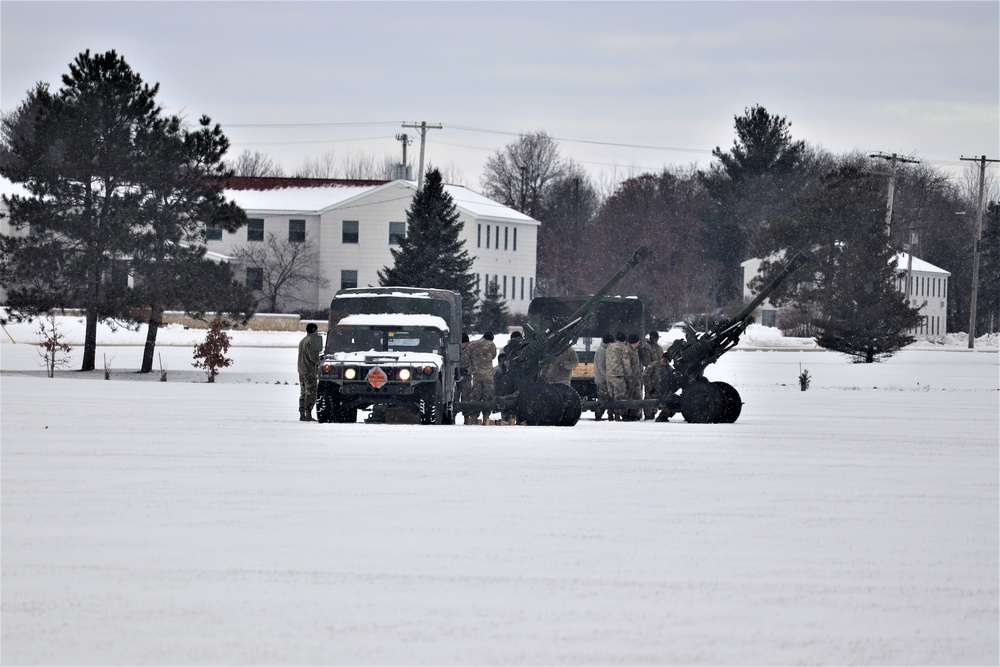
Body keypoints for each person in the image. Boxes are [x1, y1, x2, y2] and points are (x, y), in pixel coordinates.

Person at [464, 331, 497, 424]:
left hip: (476, 374)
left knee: (476, 395)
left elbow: (467, 356)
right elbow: (494, 356)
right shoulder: (491, 344)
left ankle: (474, 416)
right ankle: (486, 417)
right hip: (488, 375)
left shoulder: (473, 344)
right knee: (488, 396)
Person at [297, 322, 323, 421]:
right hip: (309, 371)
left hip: (302, 370)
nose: (318, 332)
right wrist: (320, 362)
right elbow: (313, 357)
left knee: (303, 392)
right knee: (311, 393)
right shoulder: (311, 341)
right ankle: (308, 414)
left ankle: (302, 414)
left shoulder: (303, 340)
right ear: (314, 330)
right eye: (317, 330)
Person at [605, 331, 631, 421]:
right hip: (618, 375)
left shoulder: (609, 347)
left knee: (611, 395)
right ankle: (618, 414)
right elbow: (626, 363)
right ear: (624, 341)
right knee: (619, 395)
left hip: (609, 375)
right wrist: (628, 374)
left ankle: (610, 414)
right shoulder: (623, 348)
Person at [643, 331, 664, 420]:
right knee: (648, 394)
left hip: (658, 375)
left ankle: (653, 412)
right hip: (650, 374)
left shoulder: (659, 348)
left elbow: (661, 360)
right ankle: (648, 414)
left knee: (656, 394)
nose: (655, 339)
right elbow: (646, 361)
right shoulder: (647, 348)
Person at [593, 333, 613, 421]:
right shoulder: (602, 351)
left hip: (602, 379)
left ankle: (604, 415)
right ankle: (598, 415)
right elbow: (602, 366)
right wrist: (607, 377)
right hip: (602, 380)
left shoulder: (603, 350)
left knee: (604, 397)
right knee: (603, 397)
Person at [625, 333, 643, 420]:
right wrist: (629, 377)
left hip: (636, 377)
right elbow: (627, 365)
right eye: (638, 342)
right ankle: (628, 414)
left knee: (637, 396)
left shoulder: (634, 350)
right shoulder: (628, 351)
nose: (639, 343)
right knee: (629, 396)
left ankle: (634, 414)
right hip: (630, 378)